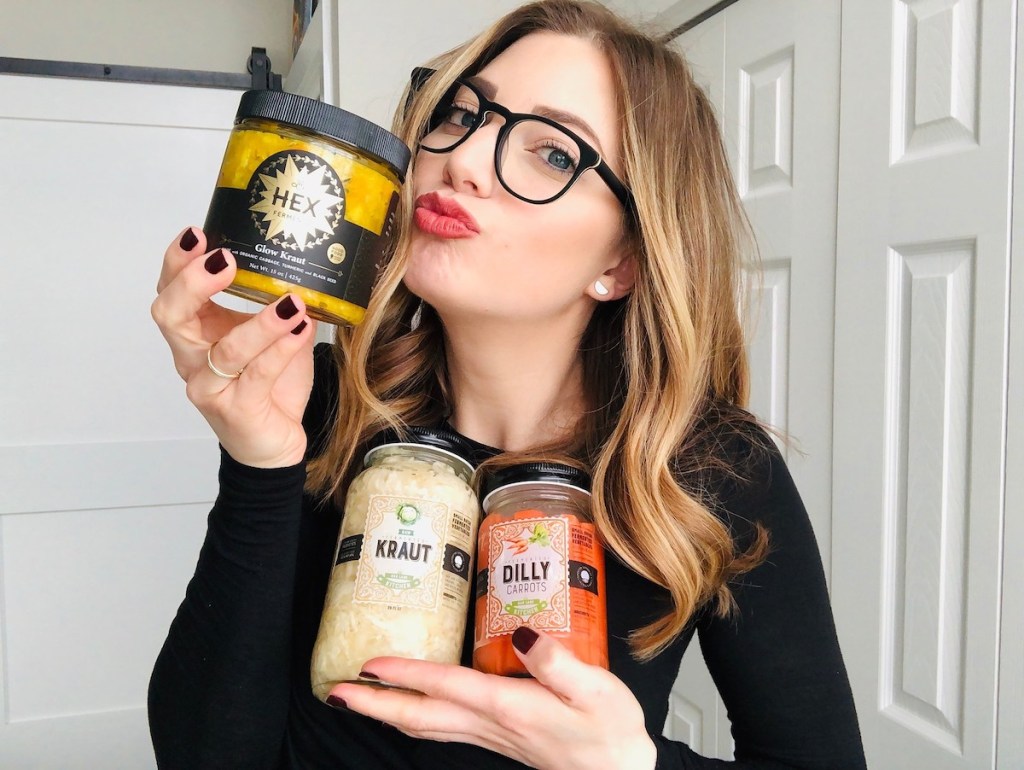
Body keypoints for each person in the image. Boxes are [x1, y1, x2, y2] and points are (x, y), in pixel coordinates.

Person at [148, 1, 867, 768]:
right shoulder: (325, 402)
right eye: (462, 112)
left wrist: (631, 766)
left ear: (619, 264)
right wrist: (259, 458)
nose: (463, 159)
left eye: (554, 155)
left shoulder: (708, 471)